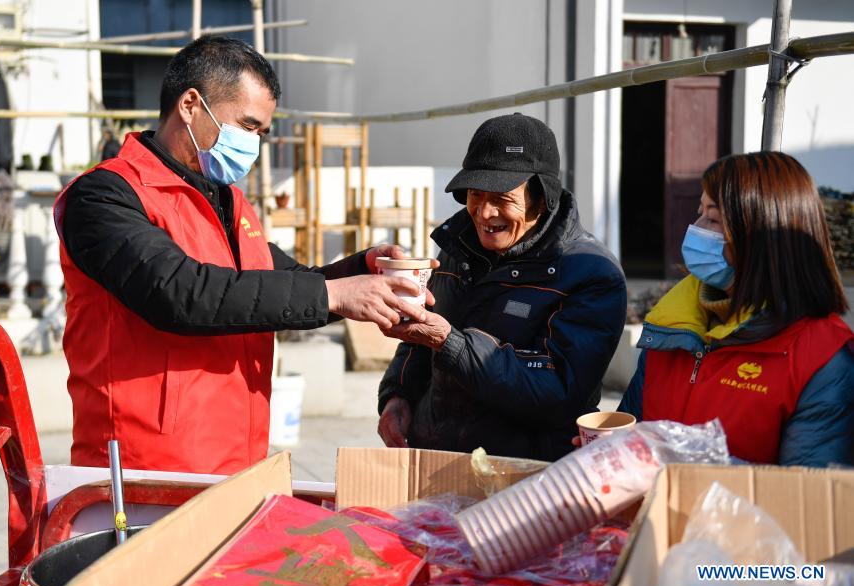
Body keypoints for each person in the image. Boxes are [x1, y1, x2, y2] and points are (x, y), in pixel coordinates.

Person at [55, 36, 430, 475]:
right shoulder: (105, 196)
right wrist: (338, 294)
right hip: (142, 475)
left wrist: (364, 269)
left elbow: (286, 282)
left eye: (262, 133)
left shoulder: (228, 202)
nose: (254, 144)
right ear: (191, 105)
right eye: (247, 126)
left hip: (235, 466)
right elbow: (181, 292)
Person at [377, 113, 628, 461]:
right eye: (476, 194)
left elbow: (558, 391)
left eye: (503, 198)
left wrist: (451, 343)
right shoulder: (457, 249)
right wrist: (397, 395)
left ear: (543, 198)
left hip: (524, 478)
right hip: (435, 460)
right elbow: (422, 335)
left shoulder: (590, 274)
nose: (484, 212)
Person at [619, 151, 854, 466]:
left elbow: (807, 498)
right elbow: (628, 429)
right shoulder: (673, 325)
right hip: (650, 515)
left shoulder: (823, 358)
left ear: (764, 236)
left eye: (713, 219)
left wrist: (683, 464)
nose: (695, 228)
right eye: (699, 212)